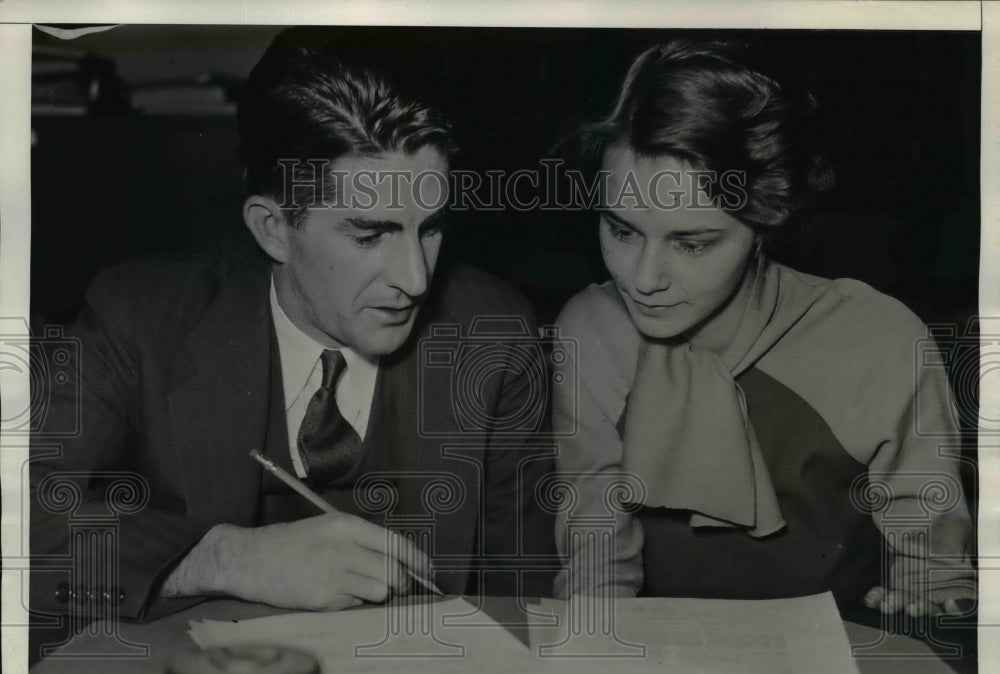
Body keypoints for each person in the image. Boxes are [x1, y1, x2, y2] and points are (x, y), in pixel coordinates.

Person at [30, 27, 557, 625]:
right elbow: (21, 515)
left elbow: (528, 598)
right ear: (273, 229)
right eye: (370, 234)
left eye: (430, 227)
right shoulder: (140, 319)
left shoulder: (495, 335)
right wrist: (229, 559)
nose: (415, 279)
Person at [551, 40, 976, 616]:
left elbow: (936, 577)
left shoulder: (880, 338)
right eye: (622, 231)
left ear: (768, 222)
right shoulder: (592, 329)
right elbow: (595, 558)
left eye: (692, 243)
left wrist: (932, 602)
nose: (643, 278)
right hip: (656, 653)